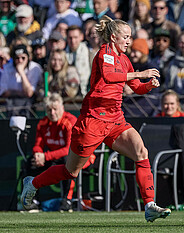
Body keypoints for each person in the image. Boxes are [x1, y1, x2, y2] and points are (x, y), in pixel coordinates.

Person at [21, 15, 171, 222]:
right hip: (93, 120)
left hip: (116, 119)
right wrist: (139, 74)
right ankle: (33, 183)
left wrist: (149, 85)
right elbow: (110, 77)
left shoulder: (125, 59)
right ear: (113, 37)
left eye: (130, 37)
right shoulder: (104, 53)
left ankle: (149, 205)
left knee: (141, 151)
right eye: (125, 37)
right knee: (70, 171)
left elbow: (136, 88)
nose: (129, 41)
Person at [27, 93, 96, 212]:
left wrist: (45, 156)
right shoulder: (43, 123)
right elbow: (38, 145)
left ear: (62, 108)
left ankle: (67, 201)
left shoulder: (69, 122)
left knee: (68, 162)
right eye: (49, 110)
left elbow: (69, 149)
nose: (52, 113)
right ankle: (32, 201)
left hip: (81, 157)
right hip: (56, 157)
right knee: (31, 162)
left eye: (55, 109)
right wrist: (38, 155)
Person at [0, 44, 43, 118]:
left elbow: (29, 93)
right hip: (10, 103)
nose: (20, 61)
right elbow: (3, 92)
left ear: (28, 58)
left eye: (23, 58)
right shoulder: (7, 68)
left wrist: (21, 72)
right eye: (17, 58)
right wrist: (21, 93)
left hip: (30, 103)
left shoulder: (35, 68)